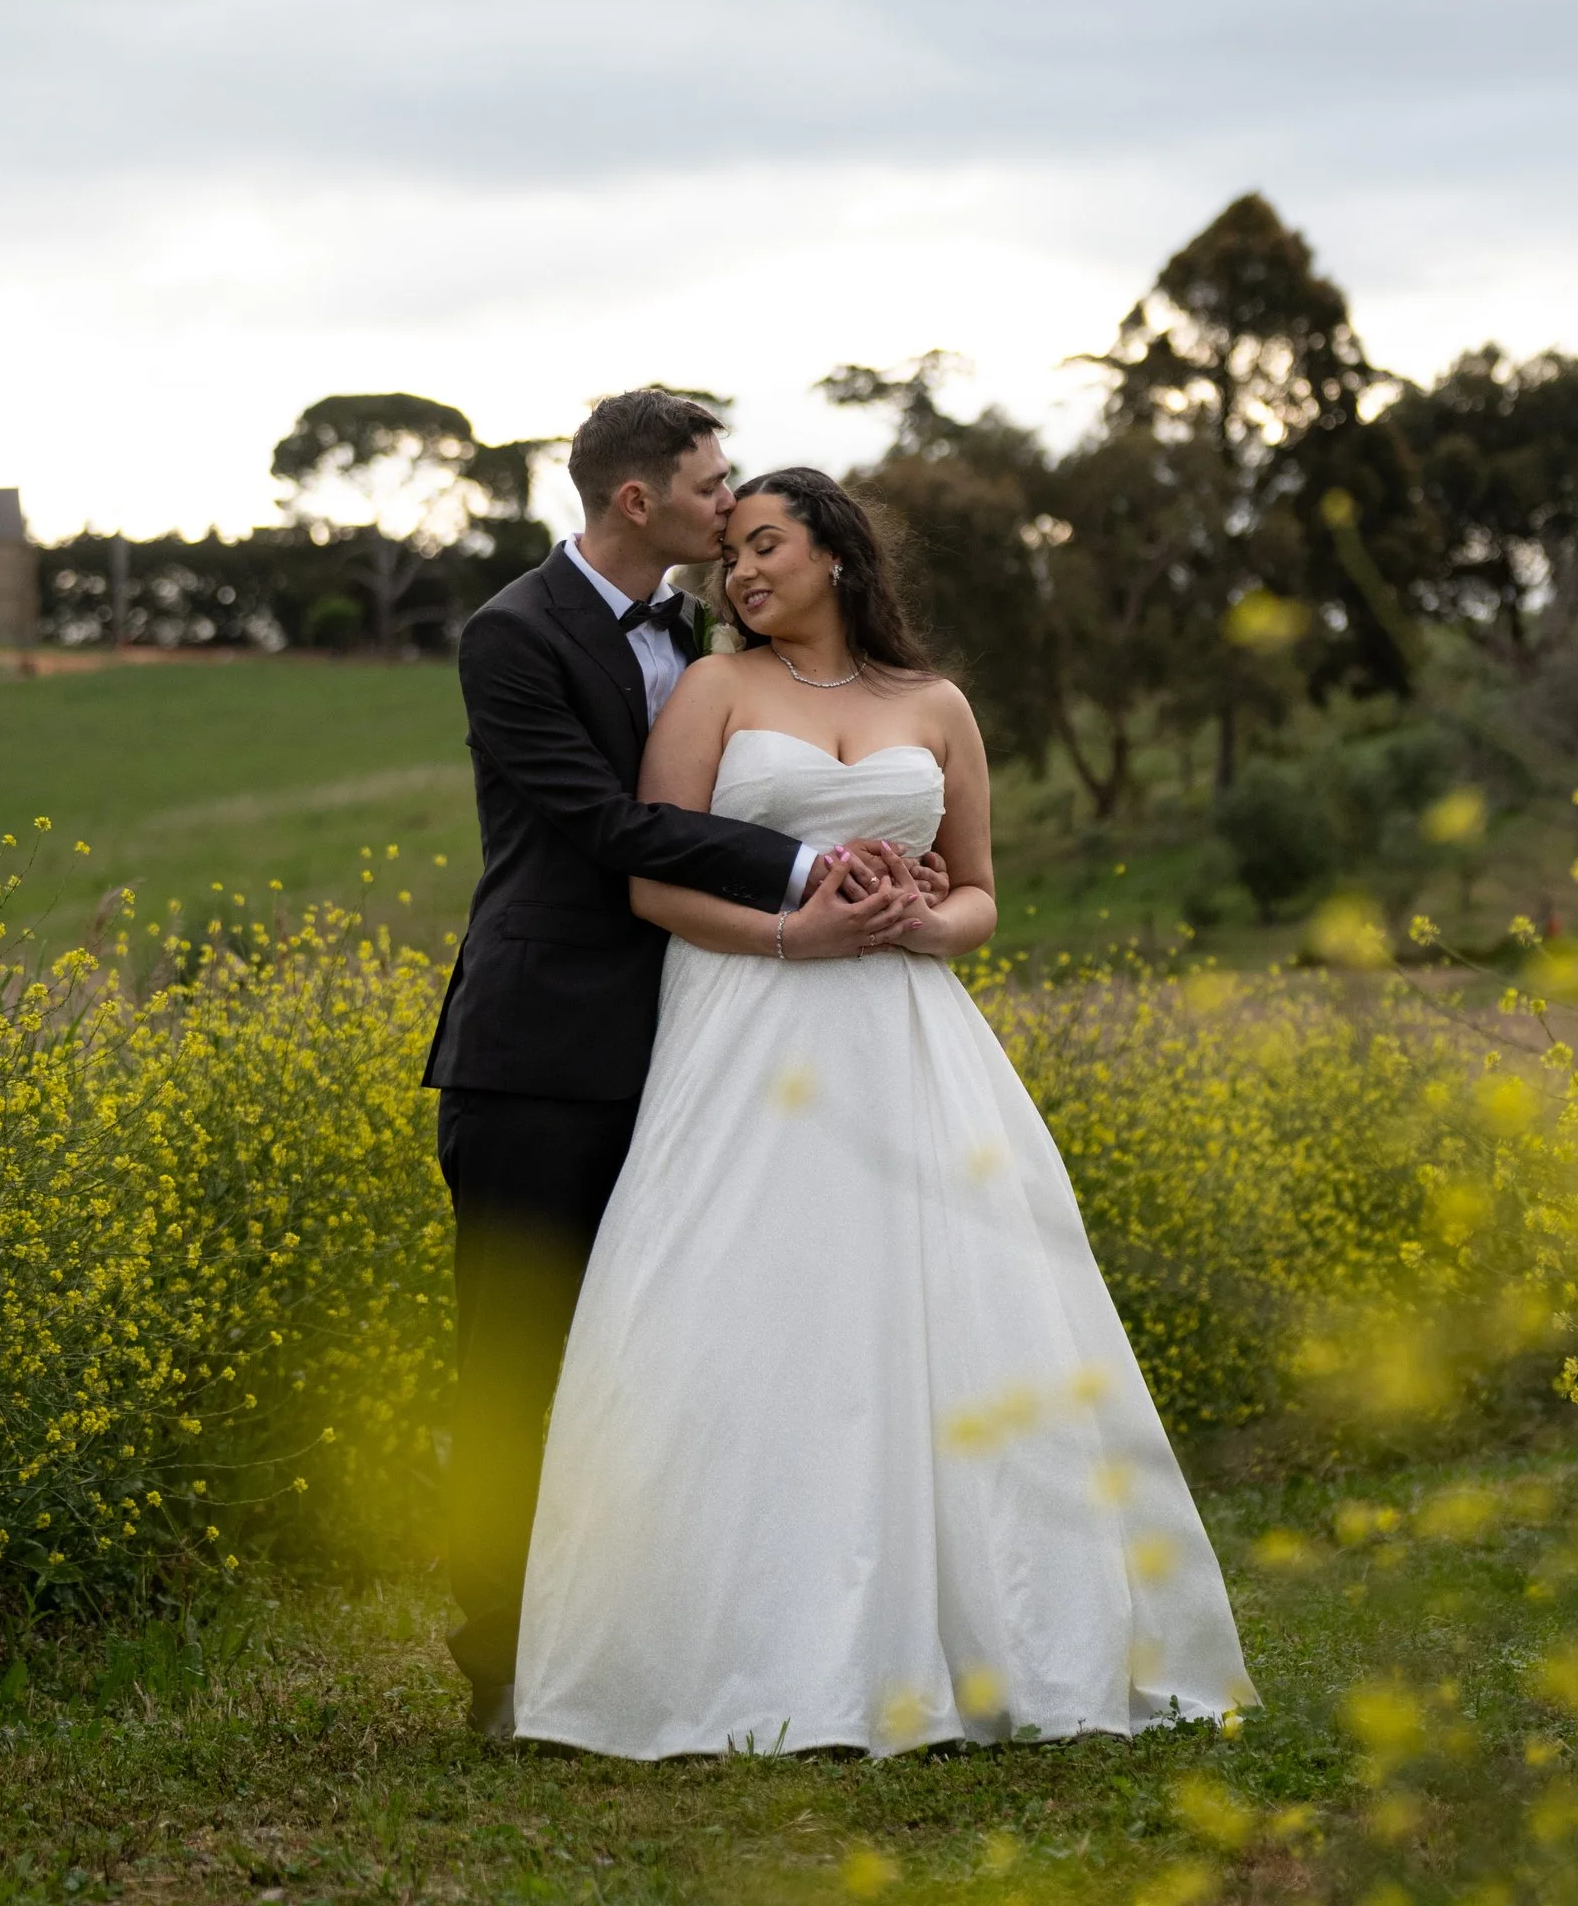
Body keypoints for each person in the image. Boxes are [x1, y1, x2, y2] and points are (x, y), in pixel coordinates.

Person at [512, 465, 1253, 1758]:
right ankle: (738, 1650)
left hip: (907, 1034)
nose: (742, 574)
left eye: (766, 547)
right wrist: (795, 935)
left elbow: (979, 893)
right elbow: (650, 882)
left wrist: (921, 923)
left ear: (839, 557)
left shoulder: (939, 705)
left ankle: (986, 1642)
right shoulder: (713, 690)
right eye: (732, 554)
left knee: (943, 1307)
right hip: (748, 1018)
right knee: (744, 1305)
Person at [424, 390, 936, 1734]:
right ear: (638, 500)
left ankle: (651, 1634)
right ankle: (497, 1664)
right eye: (713, 487)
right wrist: (813, 865)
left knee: (665, 1360)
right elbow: (603, 827)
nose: (731, 506)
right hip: (539, 1054)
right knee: (519, 1358)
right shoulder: (513, 635)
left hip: (699, 1049)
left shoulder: (713, 643)